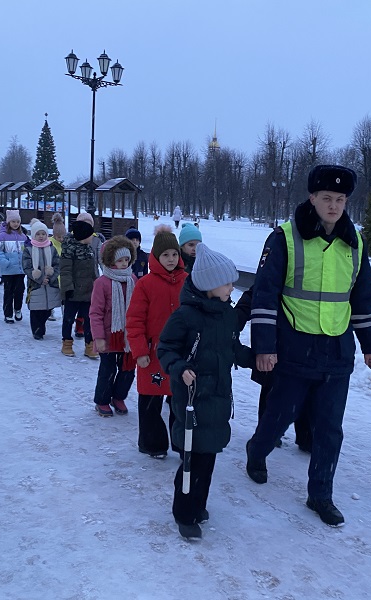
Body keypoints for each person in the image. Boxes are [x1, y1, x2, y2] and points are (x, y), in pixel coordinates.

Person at [244, 164, 371, 528]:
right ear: (312, 198)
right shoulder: (285, 238)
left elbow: (363, 296)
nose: (334, 205)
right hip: (294, 347)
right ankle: (257, 451)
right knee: (280, 414)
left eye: (340, 199)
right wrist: (264, 345)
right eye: (327, 198)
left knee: (329, 428)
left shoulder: (355, 242)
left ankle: (320, 494)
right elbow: (264, 294)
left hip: (337, 350)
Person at [157, 243, 254, 539]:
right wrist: (179, 367)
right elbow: (166, 348)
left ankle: (199, 504)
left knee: (208, 458)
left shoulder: (225, 314)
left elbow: (232, 347)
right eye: (227, 283)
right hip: (191, 399)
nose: (231, 288)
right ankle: (184, 512)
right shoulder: (186, 316)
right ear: (210, 285)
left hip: (218, 398)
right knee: (191, 460)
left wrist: (258, 360)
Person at [127, 225, 187, 458]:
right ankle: (152, 443)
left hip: (181, 354)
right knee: (151, 400)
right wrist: (140, 350)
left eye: (174, 254)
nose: (171, 259)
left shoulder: (188, 281)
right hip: (153, 353)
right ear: (156, 257)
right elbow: (134, 320)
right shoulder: (145, 285)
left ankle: (182, 443)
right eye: (165, 255)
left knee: (179, 401)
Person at [235, 286, 312, 452]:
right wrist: (236, 320)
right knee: (272, 386)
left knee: (308, 387)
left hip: (310, 337)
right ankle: (266, 436)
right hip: (275, 339)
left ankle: (307, 437)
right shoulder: (277, 264)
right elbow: (256, 293)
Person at [89, 236, 137, 417]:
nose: (124, 264)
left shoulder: (132, 279)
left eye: (126, 259)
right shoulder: (102, 283)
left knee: (128, 368)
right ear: (110, 261)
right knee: (108, 369)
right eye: (119, 260)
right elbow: (95, 313)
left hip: (128, 336)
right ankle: (102, 400)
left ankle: (118, 396)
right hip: (109, 336)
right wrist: (99, 337)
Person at [59, 220, 98, 358]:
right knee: (69, 319)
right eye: (90, 235)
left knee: (89, 319)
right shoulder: (69, 251)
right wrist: (68, 288)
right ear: (83, 236)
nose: (92, 237)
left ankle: (89, 345)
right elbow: (65, 271)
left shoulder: (89, 250)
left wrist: (97, 285)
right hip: (73, 292)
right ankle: (67, 343)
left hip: (88, 292)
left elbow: (94, 271)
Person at [22, 220, 61, 339]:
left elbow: (58, 265)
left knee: (48, 309)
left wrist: (51, 277)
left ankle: (41, 326)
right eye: (38, 234)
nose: (41, 236)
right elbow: (27, 267)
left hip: (50, 284)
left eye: (43, 234)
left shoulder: (52, 248)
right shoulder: (28, 249)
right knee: (36, 310)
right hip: (36, 285)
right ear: (34, 235)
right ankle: (37, 331)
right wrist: (39, 279)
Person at [0, 210, 29, 323]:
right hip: (8, 270)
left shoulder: (22, 236)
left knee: (20, 291)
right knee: (8, 292)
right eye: (13, 221)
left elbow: (27, 251)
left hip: (20, 270)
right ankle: (8, 313)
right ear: (8, 222)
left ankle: (17, 309)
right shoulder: (1, 236)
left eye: (17, 221)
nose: (15, 224)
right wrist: (4, 262)